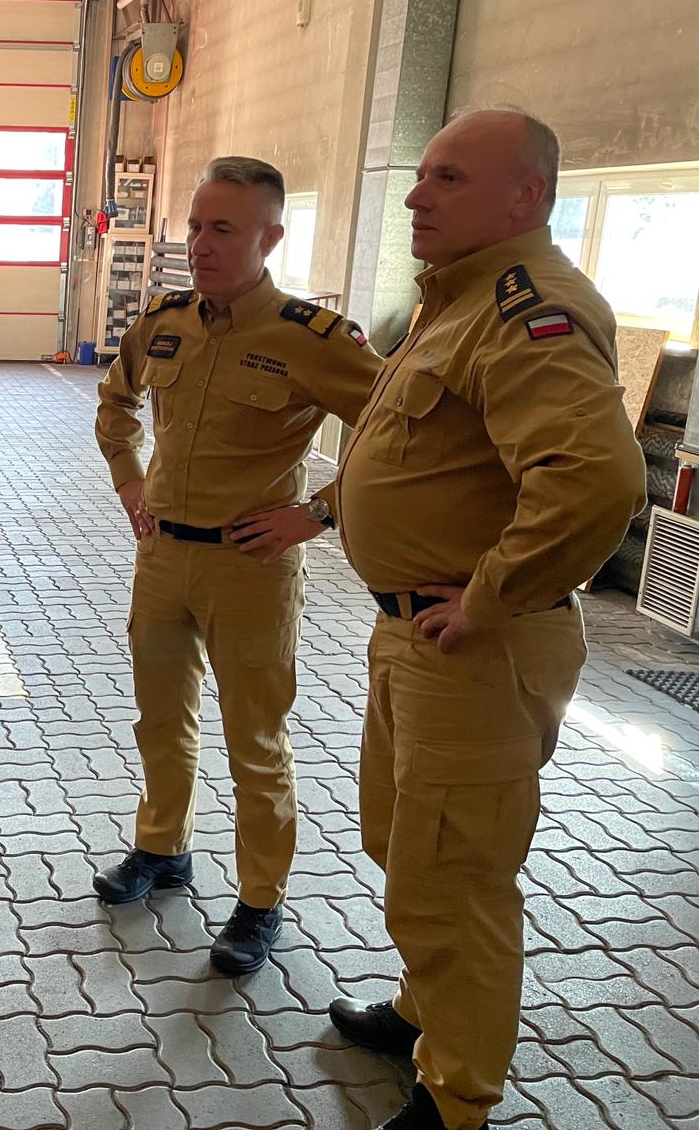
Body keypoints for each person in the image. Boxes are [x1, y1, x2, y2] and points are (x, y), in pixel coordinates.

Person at [318, 110, 646, 1130]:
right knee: (406, 845)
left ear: (525, 197)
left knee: (456, 878)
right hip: (416, 636)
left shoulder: (525, 309)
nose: (417, 195)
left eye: (448, 178)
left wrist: (490, 596)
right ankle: (427, 1009)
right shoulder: (453, 302)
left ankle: (454, 1098)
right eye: (421, 175)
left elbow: (594, 480)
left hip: (474, 646)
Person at [92, 156, 382, 973]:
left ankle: (260, 898)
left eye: (222, 228)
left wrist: (316, 513)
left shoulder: (310, 337)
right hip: (163, 557)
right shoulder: (165, 320)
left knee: (254, 737)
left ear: (270, 237)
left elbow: (400, 435)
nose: (200, 243)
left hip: (251, 569)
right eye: (195, 225)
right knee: (160, 718)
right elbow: (116, 402)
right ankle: (163, 847)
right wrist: (130, 479)